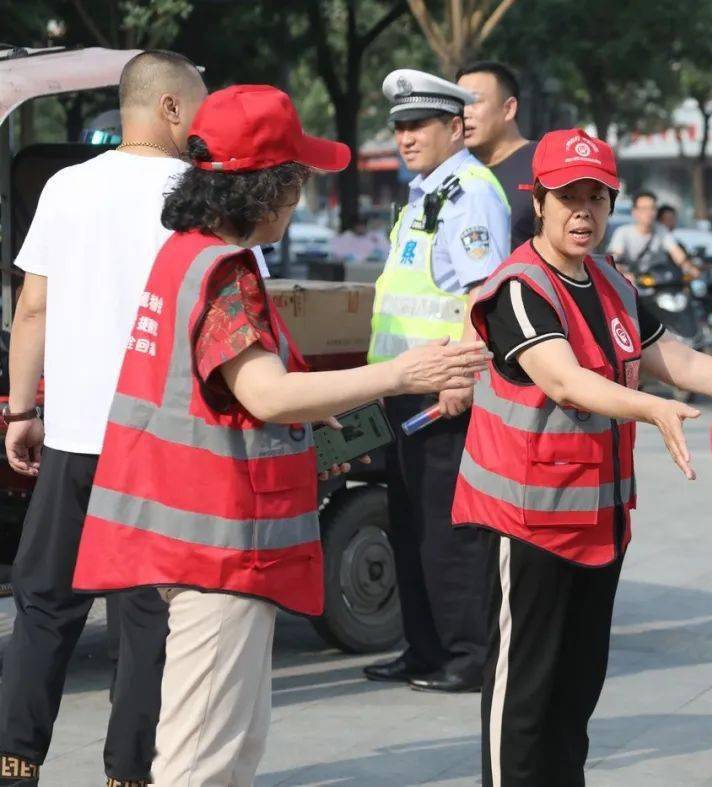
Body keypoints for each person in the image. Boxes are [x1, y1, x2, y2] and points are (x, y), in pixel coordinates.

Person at [69, 84, 491, 786]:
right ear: (262, 188)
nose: (299, 200)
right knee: (203, 757)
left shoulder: (187, 253)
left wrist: (309, 404)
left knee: (228, 741)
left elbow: (227, 388)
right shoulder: (224, 273)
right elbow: (264, 393)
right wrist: (400, 371)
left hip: (189, 535)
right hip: (217, 546)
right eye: (295, 181)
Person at [450, 128, 712, 787]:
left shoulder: (609, 280)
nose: (583, 212)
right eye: (568, 198)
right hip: (531, 523)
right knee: (523, 697)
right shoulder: (520, 287)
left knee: (575, 694)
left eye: (596, 197)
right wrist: (652, 408)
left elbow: (684, 360)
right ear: (539, 201)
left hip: (598, 524)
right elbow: (562, 378)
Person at [0, 50, 208, 787]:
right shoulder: (201, 192)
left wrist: (22, 409)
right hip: (159, 447)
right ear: (172, 108)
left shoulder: (66, 186)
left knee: (45, 607)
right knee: (146, 619)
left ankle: (15, 761)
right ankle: (128, 774)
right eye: (201, 104)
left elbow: (33, 305)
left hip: (74, 436)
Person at [362, 69, 510, 694]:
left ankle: (467, 654)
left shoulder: (471, 191)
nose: (405, 137)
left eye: (418, 125)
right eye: (399, 126)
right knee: (411, 523)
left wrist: (465, 378)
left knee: (449, 532)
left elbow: (487, 294)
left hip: (442, 390)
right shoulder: (429, 191)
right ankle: (423, 648)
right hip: (405, 387)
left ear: (455, 127)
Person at [457, 61, 537, 249]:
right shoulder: (454, 174)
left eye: (474, 102)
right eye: (459, 105)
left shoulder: (544, 163)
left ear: (509, 108)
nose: (464, 113)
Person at [609, 190, 697, 277]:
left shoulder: (661, 231)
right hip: (632, 284)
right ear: (634, 212)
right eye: (644, 209)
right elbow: (615, 259)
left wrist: (690, 268)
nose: (649, 213)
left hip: (659, 283)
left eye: (652, 208)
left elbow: (678, 255)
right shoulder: (623, 233)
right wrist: (623, 274)